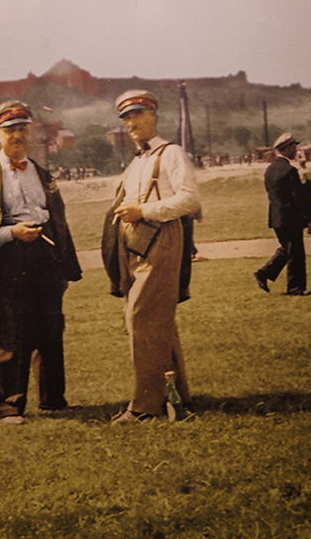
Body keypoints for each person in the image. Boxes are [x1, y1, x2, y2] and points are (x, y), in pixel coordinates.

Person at [0, 100, 83, 424]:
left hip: (45, 257)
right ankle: (10, 407)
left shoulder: (41, 173)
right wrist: (12, 232)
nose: (17, 135)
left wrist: (62, 264)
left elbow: (58, 218)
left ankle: (53, 400)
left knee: (51, 330)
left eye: (22, 129)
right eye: (10, 130)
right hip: (9, 261)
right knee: (12, 332)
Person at [101, 90, 201, 424]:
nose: (131, 122)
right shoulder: (138, 160)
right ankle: (179, 396)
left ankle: (145, 406)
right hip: (135, 245)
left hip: (161, 238)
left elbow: (189, 201)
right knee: (158, 320)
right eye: (126, 117)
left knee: (140, 319)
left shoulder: (171, 153)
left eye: (138, 114)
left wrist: (144, 210)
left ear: (153, 115)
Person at [253, 133, 311, 295]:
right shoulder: (290, 170)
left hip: (276, 217)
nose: (295, 150)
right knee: (296, 255)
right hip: (291, 218)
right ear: (286, 149)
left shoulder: (269, 170)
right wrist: (307, 219)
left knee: (287, 249)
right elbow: (296, 198)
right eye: (293, 147)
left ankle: (265, 273)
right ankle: (295, 289)